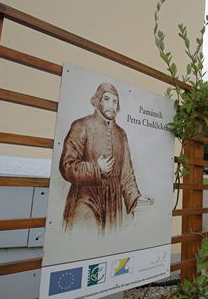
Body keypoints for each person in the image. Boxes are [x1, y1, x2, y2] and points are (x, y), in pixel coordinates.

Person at [59, 83, 153, 232]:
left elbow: (126, 173)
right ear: (98, 101)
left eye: (115, 101)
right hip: (85, 197)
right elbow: (66, 166)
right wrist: (96, 168)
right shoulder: (81, 126)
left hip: (113, 203)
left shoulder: (121, 134)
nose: (111, 105)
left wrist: (135, 198)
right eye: (107, 99)